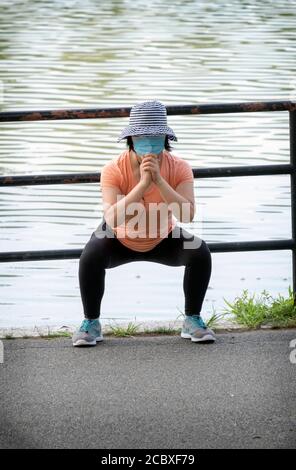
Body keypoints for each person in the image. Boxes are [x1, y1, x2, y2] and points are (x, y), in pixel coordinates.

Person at [72, 99, 215, 346]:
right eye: (141, 137)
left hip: (163, 235)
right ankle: (91, 323)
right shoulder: (113, 169)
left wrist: (160, 181)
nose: (148, 143)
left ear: (165, 139)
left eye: (155, 137)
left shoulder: (179, 167)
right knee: (90, 256)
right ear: (131, 139)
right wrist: (142, 186)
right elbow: (111, 218)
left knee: (199, 251)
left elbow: (188, 215)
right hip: (119, 237)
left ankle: (192, 319)